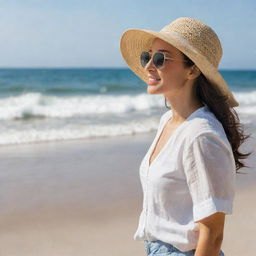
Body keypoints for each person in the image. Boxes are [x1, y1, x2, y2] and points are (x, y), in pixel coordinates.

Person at [119, 17, 252, 256]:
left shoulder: (201, 135)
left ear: (192, 69)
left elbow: (212, 236)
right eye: (147, 56)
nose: (149, 65)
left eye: (160, 58)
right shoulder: (167, 120)